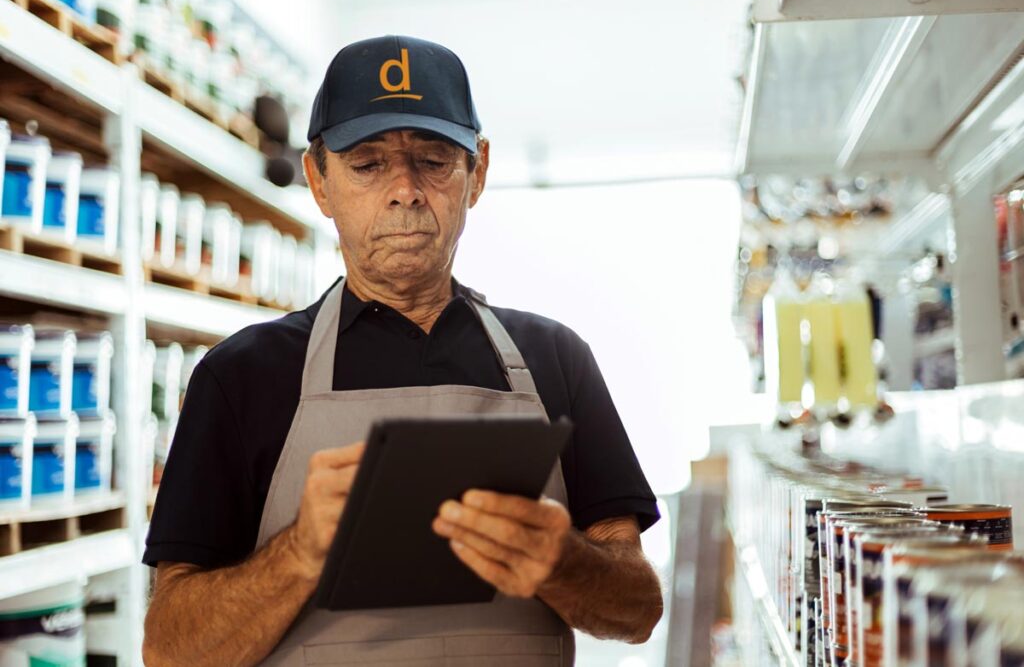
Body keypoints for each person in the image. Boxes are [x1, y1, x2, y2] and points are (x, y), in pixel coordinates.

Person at [142, 35, 663, 667]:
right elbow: (171, 649)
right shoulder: (240, 377)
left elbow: (638, 612)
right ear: (319, 180)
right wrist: (300, 551)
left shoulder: (558, 359)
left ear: (478, 173)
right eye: (368, 164)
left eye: (434, 160)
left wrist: (566, 564)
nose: (405, 191)